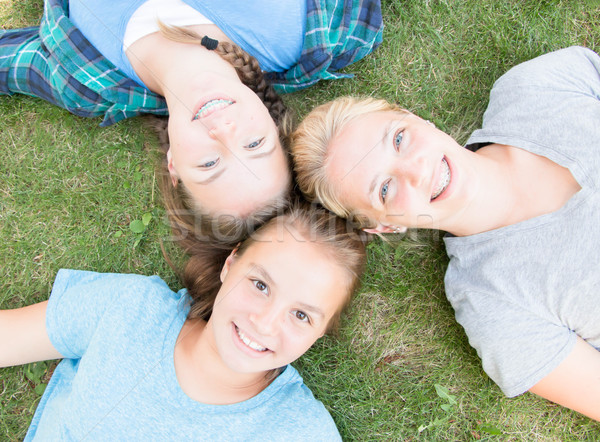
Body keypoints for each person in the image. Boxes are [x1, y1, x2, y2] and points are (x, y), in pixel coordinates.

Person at [289, 46, 600, 421]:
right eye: (385, 189)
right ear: (386, 225)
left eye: (399, 139)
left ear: (418, 119)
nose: (416, 171)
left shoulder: (535, 89)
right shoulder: (494, 306)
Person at [0, 0, 383, 239]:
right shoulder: (303, 31)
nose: (223, 131)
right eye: (254, 145)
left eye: (210, 163)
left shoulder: (85, 83)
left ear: (174, 165)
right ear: (269, 117)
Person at [0, 201, 367, 439]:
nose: (265, 323)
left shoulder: (301, 432)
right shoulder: (130, 308)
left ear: (319, 334)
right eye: (260, 285)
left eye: (301, 315)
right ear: (230, 263)